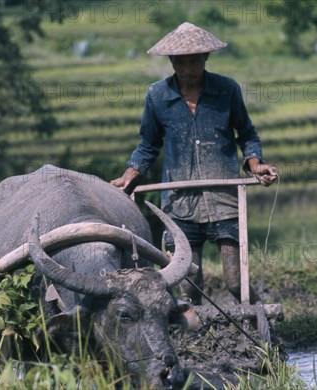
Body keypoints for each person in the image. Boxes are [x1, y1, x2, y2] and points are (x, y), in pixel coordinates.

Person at [111, 22, 278, 305]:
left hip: (224, 198)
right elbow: (149, 144)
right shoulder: (157, 96)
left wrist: (255, 164)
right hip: (180, 203)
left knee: (237, 282)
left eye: (194, 61)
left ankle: (262, 326)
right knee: (188, 287)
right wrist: (130, 174)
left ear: (206, 58)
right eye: (181, 62)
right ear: (172, 61)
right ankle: (198, 341)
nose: (188, 68)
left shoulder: (227, 90)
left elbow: (246, 133)